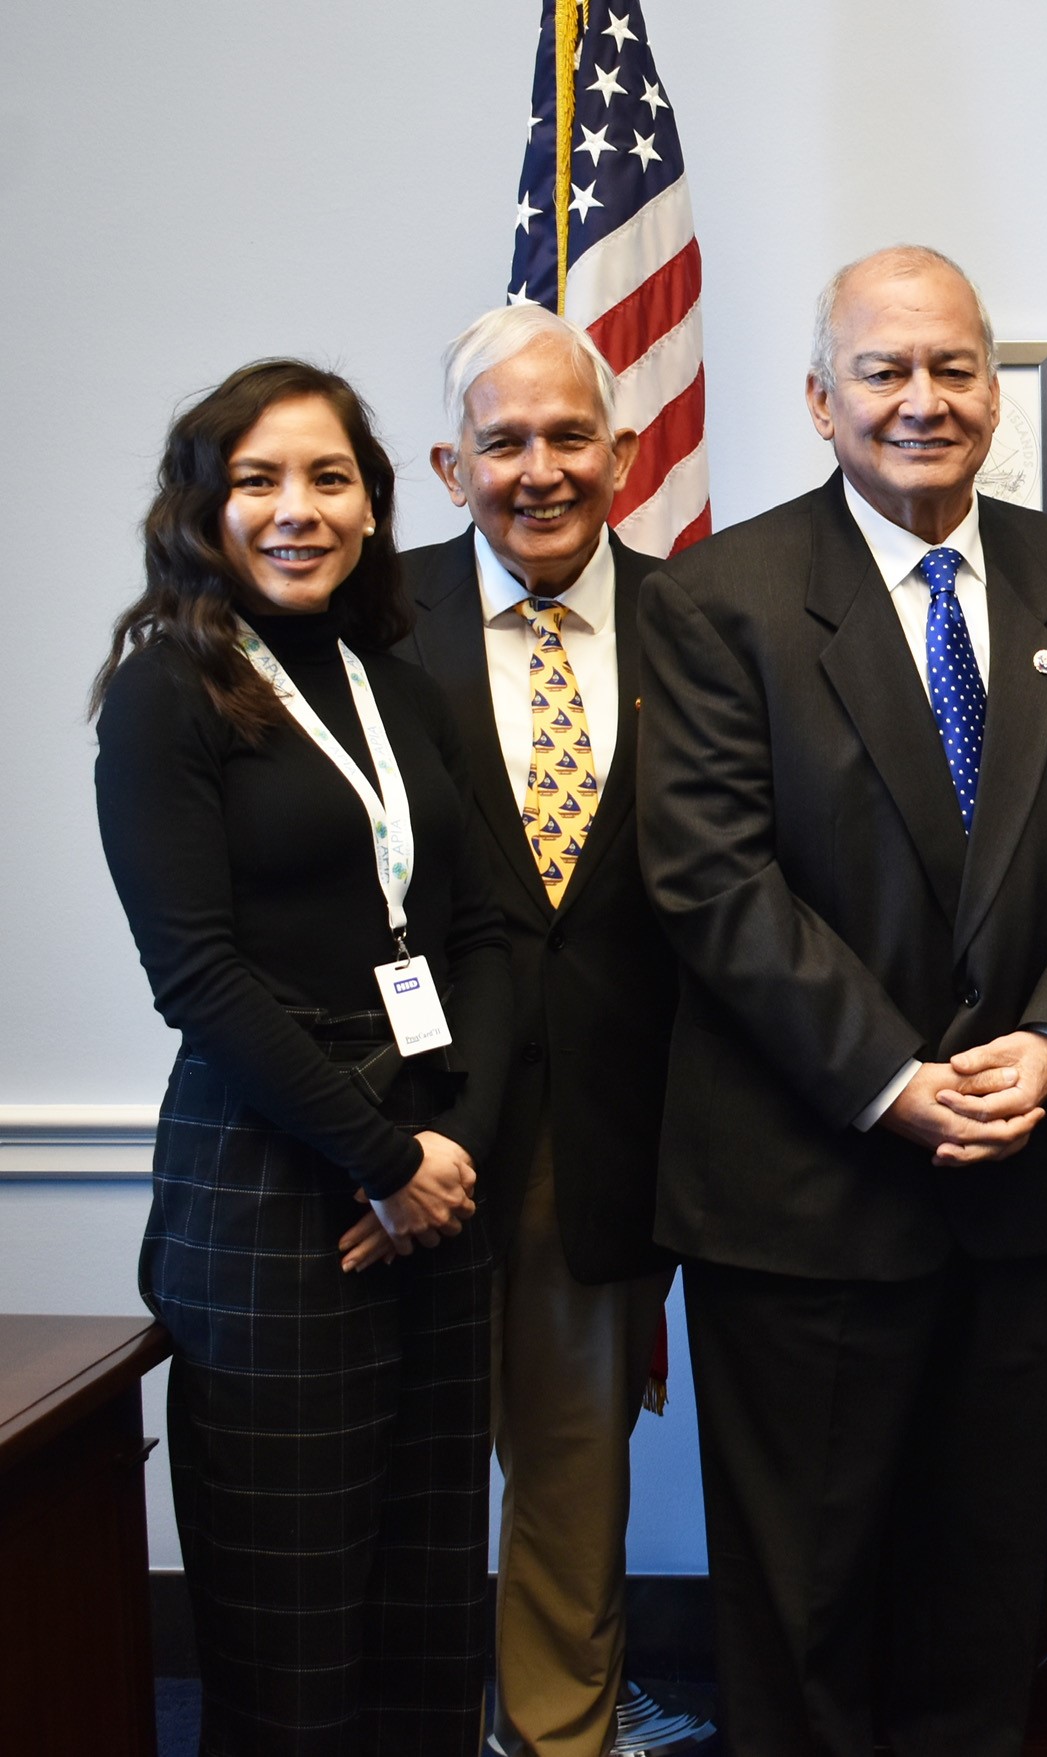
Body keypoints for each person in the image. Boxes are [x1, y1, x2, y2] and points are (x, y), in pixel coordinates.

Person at [635, 245, 1047, 1756]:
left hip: (1025, 1184)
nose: (922, 400)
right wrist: (891, 1072)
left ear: (991, 393)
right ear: (820, 398)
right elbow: (710, 878)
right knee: (800, 1600)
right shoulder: (715, 600)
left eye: (953, 368)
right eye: (884, 370)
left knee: (988, 1586)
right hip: (805, 1192)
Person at [91, 359, 510, 1752]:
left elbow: (496, 932)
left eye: (330, 477)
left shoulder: (403, 687)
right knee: (294, 1618)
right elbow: (196, 974)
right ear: (203, 505)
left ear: (376, 506)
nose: (297, 509)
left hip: (436, 1175)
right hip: (273, 1180)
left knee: (427, 1596)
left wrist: (449, 1154)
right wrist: (380, 1159)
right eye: (258, 479)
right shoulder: (167, 693)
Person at [397, 304, 710, 1757]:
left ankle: (558, 1735)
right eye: (503, 440)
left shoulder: (701, 628)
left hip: (606, 1134)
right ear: (450, 467)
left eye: (568, 436)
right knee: (394, 1477)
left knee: (578, 1482)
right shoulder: (366, 624)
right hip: (401, 1133)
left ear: (625, 452)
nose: (539, 467)